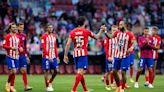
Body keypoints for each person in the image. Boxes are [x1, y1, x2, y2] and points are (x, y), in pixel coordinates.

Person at [63, 16, 105, 92]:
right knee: (80, 72)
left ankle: (85, 90)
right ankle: (73, 90)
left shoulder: (72, 32)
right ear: (84, 22)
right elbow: (97, 37)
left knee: (80, 72)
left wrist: (65, 55)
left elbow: (68, 44)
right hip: (83, 53)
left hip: (75, 54)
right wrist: (101, 31)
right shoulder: (86, 31)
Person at [104, 21, 136, 92]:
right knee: (114, 71)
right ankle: (119, 86)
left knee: (123, 72)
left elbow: (134, 42)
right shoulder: (117, 33)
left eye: (121, 24)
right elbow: (110, 37)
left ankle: (122, 88)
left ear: (125, 25)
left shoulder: (129, 34)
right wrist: (105, 31)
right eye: (119, 24)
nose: (119, 26)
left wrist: (132, 47)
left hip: (125, 56)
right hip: (117, 55)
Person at [3, 23, 23, 92]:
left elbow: (19, 45)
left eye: (15, 27)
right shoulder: (7, 36)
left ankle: (11, 86)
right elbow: (4, 46)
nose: (15, 28)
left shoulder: (17, 37)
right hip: (10, 56)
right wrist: (11, 48)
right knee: (13, 71)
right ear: (10, 29)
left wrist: (20, 48)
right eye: (13, 27)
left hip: (16, 57)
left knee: (14, 72)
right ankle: (8, 83)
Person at [41, 24, 60, 91]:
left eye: (51, 27)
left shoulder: (54, 36)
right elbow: (43, 47)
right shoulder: (44, 36)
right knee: (46, 71)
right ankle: (47, 86)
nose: (50, 29)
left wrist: (57, 57)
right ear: (47, 28)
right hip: (46, 57)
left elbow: (55, 47)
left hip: (53, 56)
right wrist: (48, 56)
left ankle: (50, 82)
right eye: (49, 27)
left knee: (56, 71)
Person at [17, 22, 32, 91]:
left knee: (24, 70)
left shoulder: (24, 35)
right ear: (17, 27)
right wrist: (18, 47)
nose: (22, 29)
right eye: (20, 27)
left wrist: (27, 56)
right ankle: (9, 84)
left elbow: (25, 46)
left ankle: (26, 86)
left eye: (22, 27)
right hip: (15, 55)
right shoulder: (15, 35)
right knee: (13, 71)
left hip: (22, 55)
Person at [103, 25, 118, 90]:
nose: (114, 31)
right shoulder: (108, 38)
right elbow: (106, 48)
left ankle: (112, 84)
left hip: (116, 57)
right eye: (113, 30)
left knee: (115, 71)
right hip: (109, 57)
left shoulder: (118, 38)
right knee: (109, 71)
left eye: (115, 30)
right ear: (111, 30)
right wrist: (108, 56)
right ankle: (107, 84)